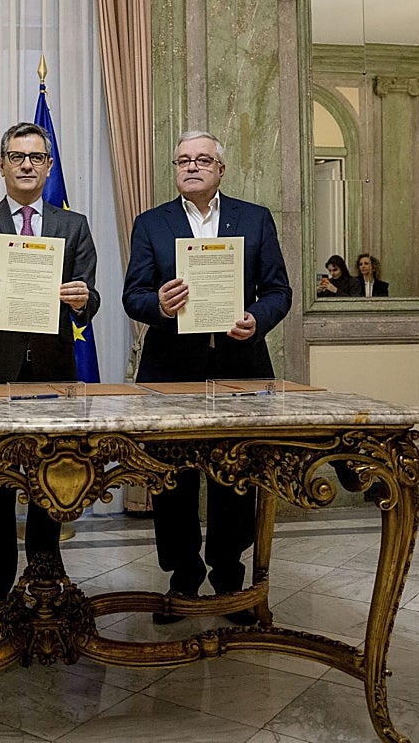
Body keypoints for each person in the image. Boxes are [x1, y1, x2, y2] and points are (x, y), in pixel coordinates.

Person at [122, 130, 292, 626]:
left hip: (239, 367)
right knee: (171, 478)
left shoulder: (254, 219)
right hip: (172, 370)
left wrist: (256, 319)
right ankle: (182, 577)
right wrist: (159, 304)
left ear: (221, 169)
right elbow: (134, 295)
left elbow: (279, 290)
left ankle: (228, 576)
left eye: (202, 160)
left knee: (236, 475)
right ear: (174, 170)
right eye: (182, 160)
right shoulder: (152, 223)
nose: (191, 167)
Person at [0, 122, 100, 631]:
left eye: (36, 156)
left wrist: (82, 301)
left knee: (49, 482)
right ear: (2, 164)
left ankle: (44, 586)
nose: (27, 164)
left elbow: (90, 300)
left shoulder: (72, 226)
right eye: (17, 156)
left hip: (53, 369)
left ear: (49, 166)